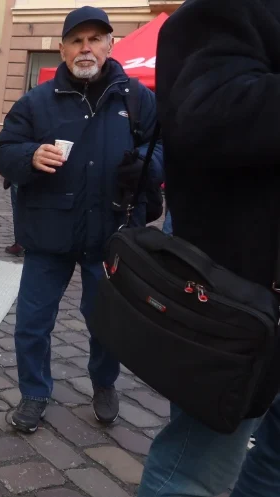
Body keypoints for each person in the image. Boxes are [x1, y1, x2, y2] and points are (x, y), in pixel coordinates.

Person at [0, 6, 163, 433]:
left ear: (108, 44)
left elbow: (165, 150)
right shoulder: (36, 101)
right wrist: (29, 155)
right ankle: (34, 392)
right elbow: (3, 152)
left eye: (94, 39)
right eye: (76, 40)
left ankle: (104, 383)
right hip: (48, 235)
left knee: (106, 324)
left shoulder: (138, 100)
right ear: (63, 48)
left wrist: (143, 163)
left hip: (111, 234)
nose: (86, 48)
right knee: (32, 324)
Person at [137, 0, 280, 494]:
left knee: (271, 462)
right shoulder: (226, 9)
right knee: (195, 465)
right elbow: (207, 116)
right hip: (240, 303)